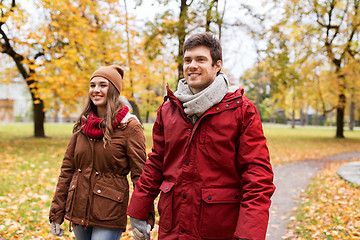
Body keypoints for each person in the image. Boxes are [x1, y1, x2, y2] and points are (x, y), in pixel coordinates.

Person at [126, 33, 275, 240]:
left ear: (217, 65)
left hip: (218, 229)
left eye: (200, 60)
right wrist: (138, 209)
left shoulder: (242, 110)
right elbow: (156, 163)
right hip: (173, 228)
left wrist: (250, 233)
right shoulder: (168, 109)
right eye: (188, 60)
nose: (192, 65)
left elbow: (257, 175)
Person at [49, 65, 153, 239]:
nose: (96, 90)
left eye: (103, 85)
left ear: (113, 89)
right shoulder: (82, 124)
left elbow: (140, 174)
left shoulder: (129, 126)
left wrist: (144, 216)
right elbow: (67, 170)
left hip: (109, 211)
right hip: (79, 208)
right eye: (92, 85)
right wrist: (56, 212)